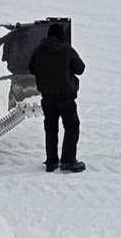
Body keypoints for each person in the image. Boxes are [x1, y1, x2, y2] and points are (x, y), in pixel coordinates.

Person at [28, 22, 85, 172]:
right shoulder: (67, 50)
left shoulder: (39, 50)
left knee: (51, 129)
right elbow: (80, 69)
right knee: (72, 127)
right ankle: (68, 161)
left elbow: (32, 68)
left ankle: (51, 161)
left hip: (47, 97)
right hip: (66, 97)